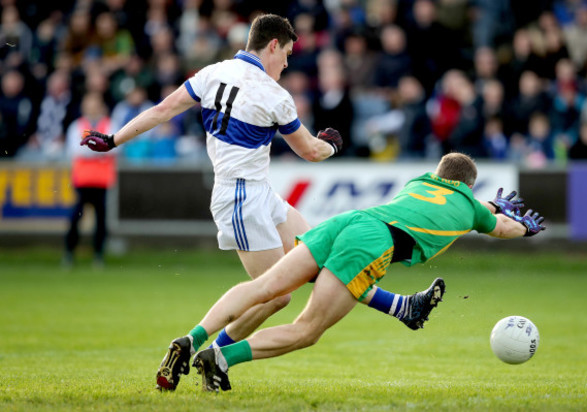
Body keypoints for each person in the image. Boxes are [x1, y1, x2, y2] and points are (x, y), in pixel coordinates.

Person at [79, 14, 437, 390]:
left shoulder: (212, 73)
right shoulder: (274, 95)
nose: (286, 63)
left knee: (325, 256)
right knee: (275, 293)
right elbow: (311, 152)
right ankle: (194, 344)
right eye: (286, 54)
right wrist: (332, 142)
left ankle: (402, 307)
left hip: (256, 192)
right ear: (271, 45)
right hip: (240, 197)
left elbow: (160, 111)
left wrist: (113, 140)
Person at [169, 153, 546, 393]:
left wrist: (493, 204)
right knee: (307, 330)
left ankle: (193, 337)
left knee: (265, 285)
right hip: (374, 243)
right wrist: (524, 227)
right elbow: (501, 227)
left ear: (439, 174)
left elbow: (461, 198)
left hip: (348, 222)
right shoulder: (472, 208)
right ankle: (222, 359)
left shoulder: (420, 182)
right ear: (468, 186)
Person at [63, 92, 117, 268]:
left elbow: (115, 147)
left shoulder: (109, 124)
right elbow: (75, 150)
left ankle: (98, 255)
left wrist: (91, 148)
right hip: (82, 180)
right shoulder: (77, 126)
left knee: (101, 220)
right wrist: (100, 149)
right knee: (75, 218)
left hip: (102, 181)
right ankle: (69, 253)